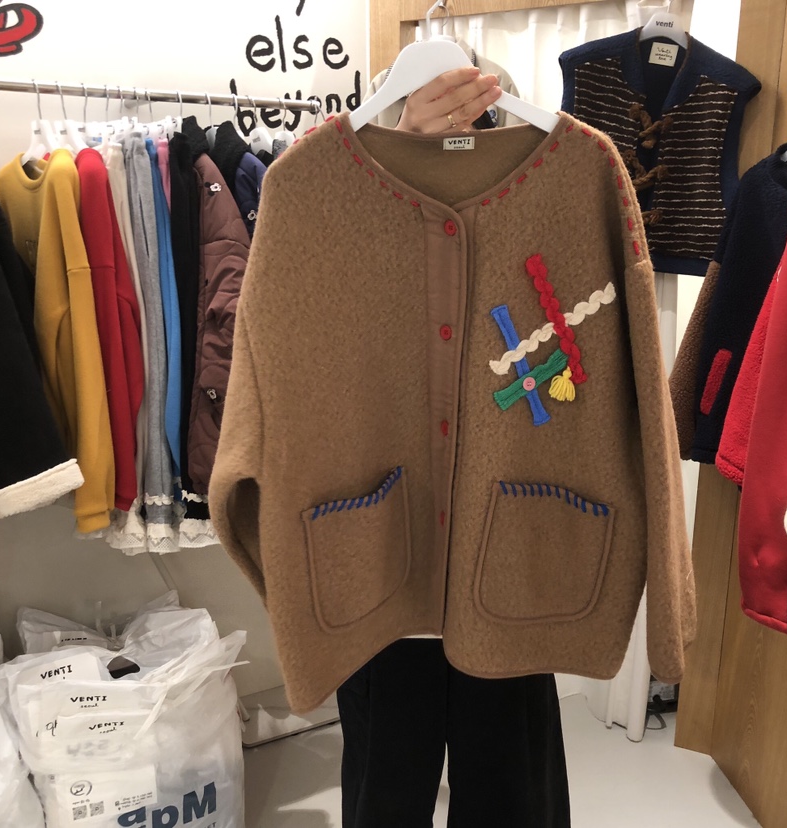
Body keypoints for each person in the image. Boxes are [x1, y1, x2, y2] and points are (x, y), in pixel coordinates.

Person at [336, 67, 573, 828]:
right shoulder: (335, 198)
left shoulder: (554, 191)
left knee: (512, 784)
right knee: (385, 780)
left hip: (506, 552)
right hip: (384, 554)